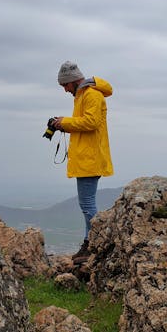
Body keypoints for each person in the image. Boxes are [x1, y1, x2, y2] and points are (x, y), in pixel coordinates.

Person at [52, 61, 113, 264]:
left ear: (72, 81)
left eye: (65, 85)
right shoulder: (83, 96)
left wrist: (65, 122)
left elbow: (91, 122)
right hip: (87, 157)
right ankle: (89, 242)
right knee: (86, 203)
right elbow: (84, 123)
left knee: (87, 203)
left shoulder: (91, 95)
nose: (64, 90)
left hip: (90, 158)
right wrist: (63, 123)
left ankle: (94, 243)